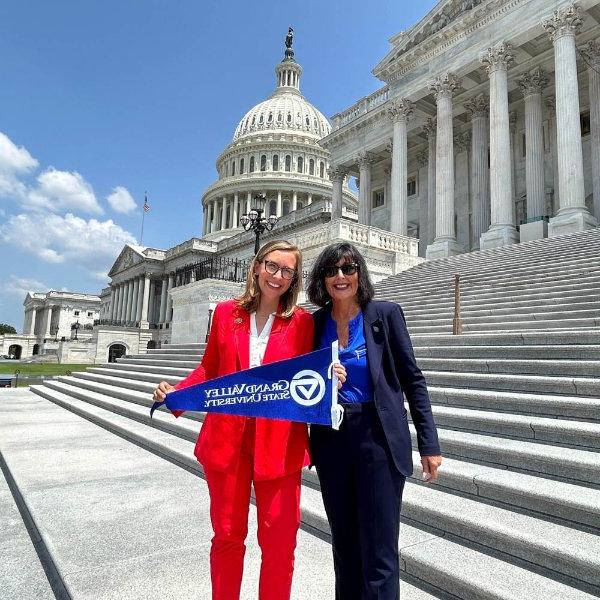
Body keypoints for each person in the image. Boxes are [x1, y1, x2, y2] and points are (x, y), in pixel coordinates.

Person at [153, 240, 319, 600]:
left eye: (287, 271)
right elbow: (210, 369)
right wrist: (177, 394)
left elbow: (309, 377)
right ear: (257, 266)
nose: (277, 276)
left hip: (280, 443)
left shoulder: (302, 323)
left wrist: (330, 377)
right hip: (228, 439)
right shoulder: (227, 313)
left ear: (294, 279)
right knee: (227, 535)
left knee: (279, 542)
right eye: (272, 266)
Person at [306, 242, 442, 600]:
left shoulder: (385, 314)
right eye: (332, 270)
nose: (340, 277)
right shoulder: (312, 323)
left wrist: (429, 443)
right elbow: (296, 383)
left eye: (348, 269)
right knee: (345, 545)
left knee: (380, 548)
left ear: (359, 274)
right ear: (322, 278)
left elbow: (413, 379)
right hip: (332, 437)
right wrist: (322, 378)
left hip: (377, 436)